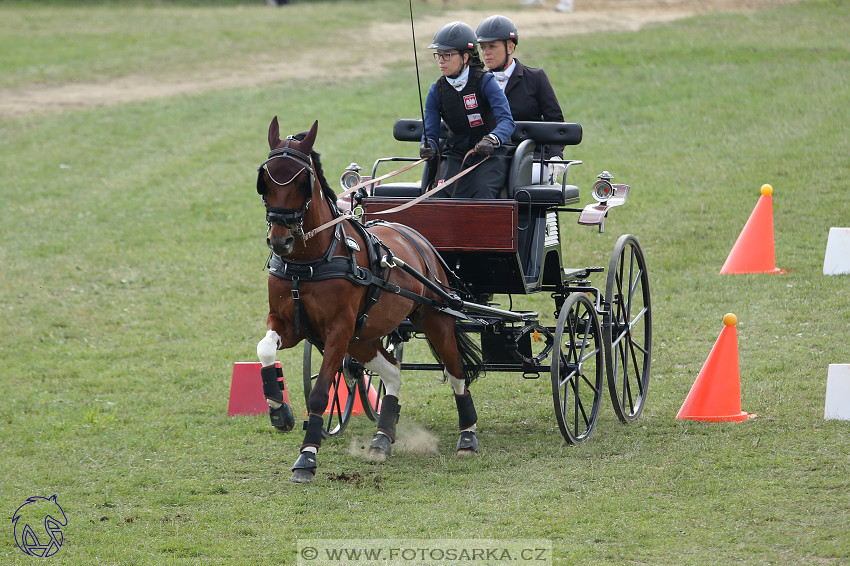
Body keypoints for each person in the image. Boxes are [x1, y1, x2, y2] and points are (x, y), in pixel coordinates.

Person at [420, 22, 515, 199]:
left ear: (465, 57)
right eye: (438, 55)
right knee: (440, 194)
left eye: (447, 55)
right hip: (456, 151)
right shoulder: (436, 90)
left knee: (481, 191)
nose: (441, 61)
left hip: (491, 152)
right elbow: (430, 132)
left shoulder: (485, 82)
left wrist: (492, 139)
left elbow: (507, 122)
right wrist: (428, 146)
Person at [476, 14, 567, 184]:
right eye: (482, 47)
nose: (485, 53)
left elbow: (555, 120)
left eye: (492, 46)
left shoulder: (536, 78)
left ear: (509, 47)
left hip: (532, 157)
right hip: (492, 157)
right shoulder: (478, 83)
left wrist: (555, 154)